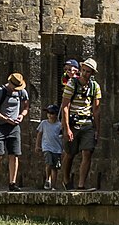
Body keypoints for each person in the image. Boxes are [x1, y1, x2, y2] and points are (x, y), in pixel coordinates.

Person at [61, 58, 103, 190]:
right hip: (73, 123)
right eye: (83, 70)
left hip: (87, 123)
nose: (85, 73)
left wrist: (97, 129)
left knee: (87, 152)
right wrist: (67, 128)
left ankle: (81, 185)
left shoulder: (95, 87)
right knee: (70, 154)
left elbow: (96, 110)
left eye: (88, 71)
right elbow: (65, 106)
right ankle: (66, 180)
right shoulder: (72, 84)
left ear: (92, 73)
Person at [0, 72, 29, 189]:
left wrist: (21, 116)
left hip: (14, 127)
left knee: (14, 154)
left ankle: (12, 182)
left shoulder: (22, 92)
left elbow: (26, 107)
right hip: (0, 126)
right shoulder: (0, 92)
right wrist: (6, 119)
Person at [37, 105, 65, 190]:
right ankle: (47, 179)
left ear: (56, 115)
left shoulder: (59, 125)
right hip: (46, 147)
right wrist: (37, 145)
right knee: (48, 163)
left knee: (55, 167)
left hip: (57, 149)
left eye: (52, 113)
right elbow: (39, 134)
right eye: (48, 113)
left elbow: (63, 137)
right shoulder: (44, 123)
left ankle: (53, 185)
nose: (49, 115)